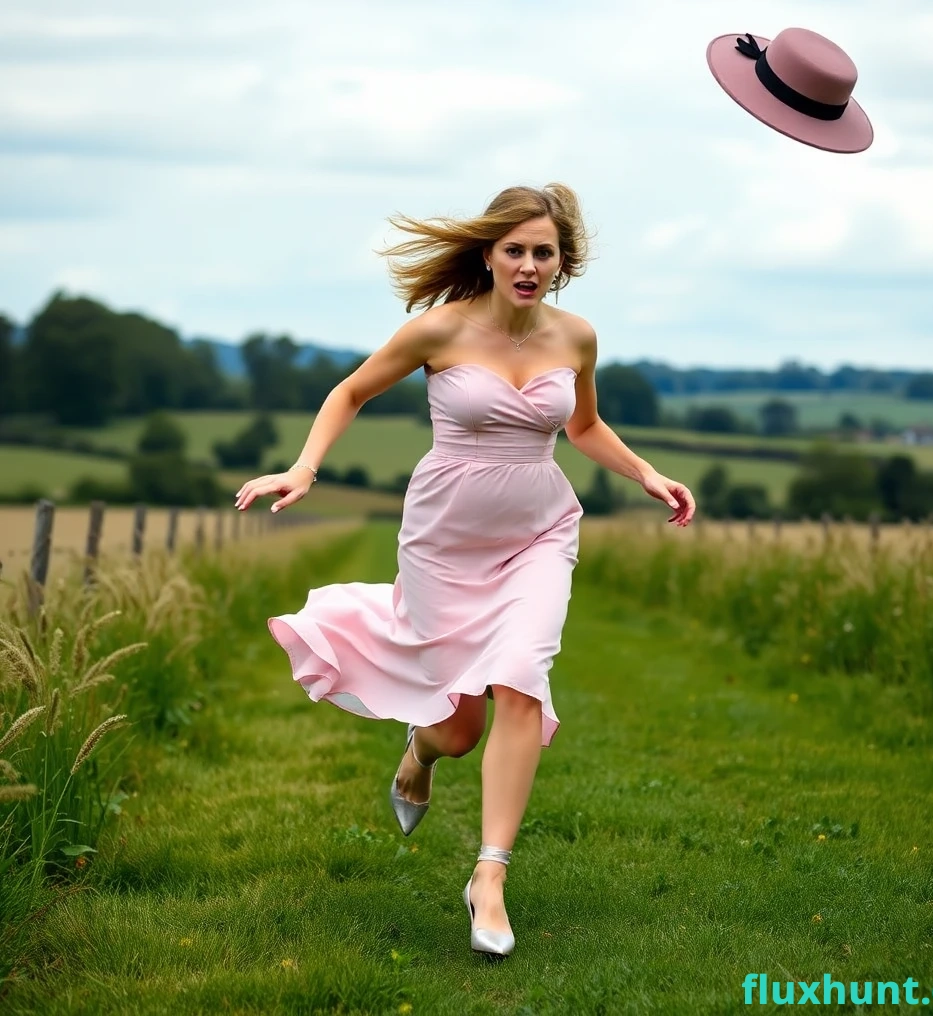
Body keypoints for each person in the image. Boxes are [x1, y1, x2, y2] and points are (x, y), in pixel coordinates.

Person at [234, 183, 697, 959]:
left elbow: (581, 424)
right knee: (458, 726)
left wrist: (644, 472)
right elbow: (351, 390)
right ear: (488, 253)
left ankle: (489, 877)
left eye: (542, 251)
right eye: (513, 249)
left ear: (562, 261)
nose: (527, 264)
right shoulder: (438, 330)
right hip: (445, 539)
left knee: (521, 675)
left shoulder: (577, 337)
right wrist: (305, 467)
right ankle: (418, 753)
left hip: (539, 533)